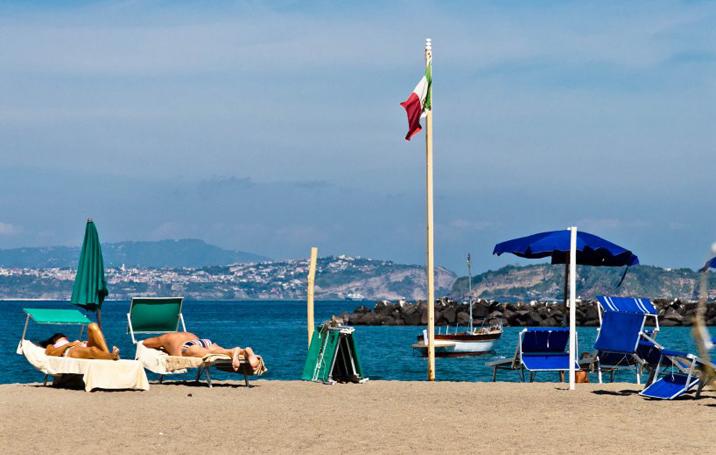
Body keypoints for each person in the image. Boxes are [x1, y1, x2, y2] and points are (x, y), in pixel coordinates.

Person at [141, 332, 260, 371]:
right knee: (218, 351)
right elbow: (200, 343)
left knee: (209, 355)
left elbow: (146, 343)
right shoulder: (188, 333)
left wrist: (161, 345)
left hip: (187, 347)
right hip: (203, 341)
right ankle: (241, 351)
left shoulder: (167, 337)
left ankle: (233, 352)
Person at [40, 322, 120, 360]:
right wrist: (68, 345)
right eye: (58, 336)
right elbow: (51, 353)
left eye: (62, 335)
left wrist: (81, 343)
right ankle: (112, 356)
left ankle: (107, 354)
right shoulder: (51, 345)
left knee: (92, 326)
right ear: (54, 339)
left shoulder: (69, 341)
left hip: (78, 346)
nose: (61, 336)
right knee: (92, 350)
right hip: (69, 351)